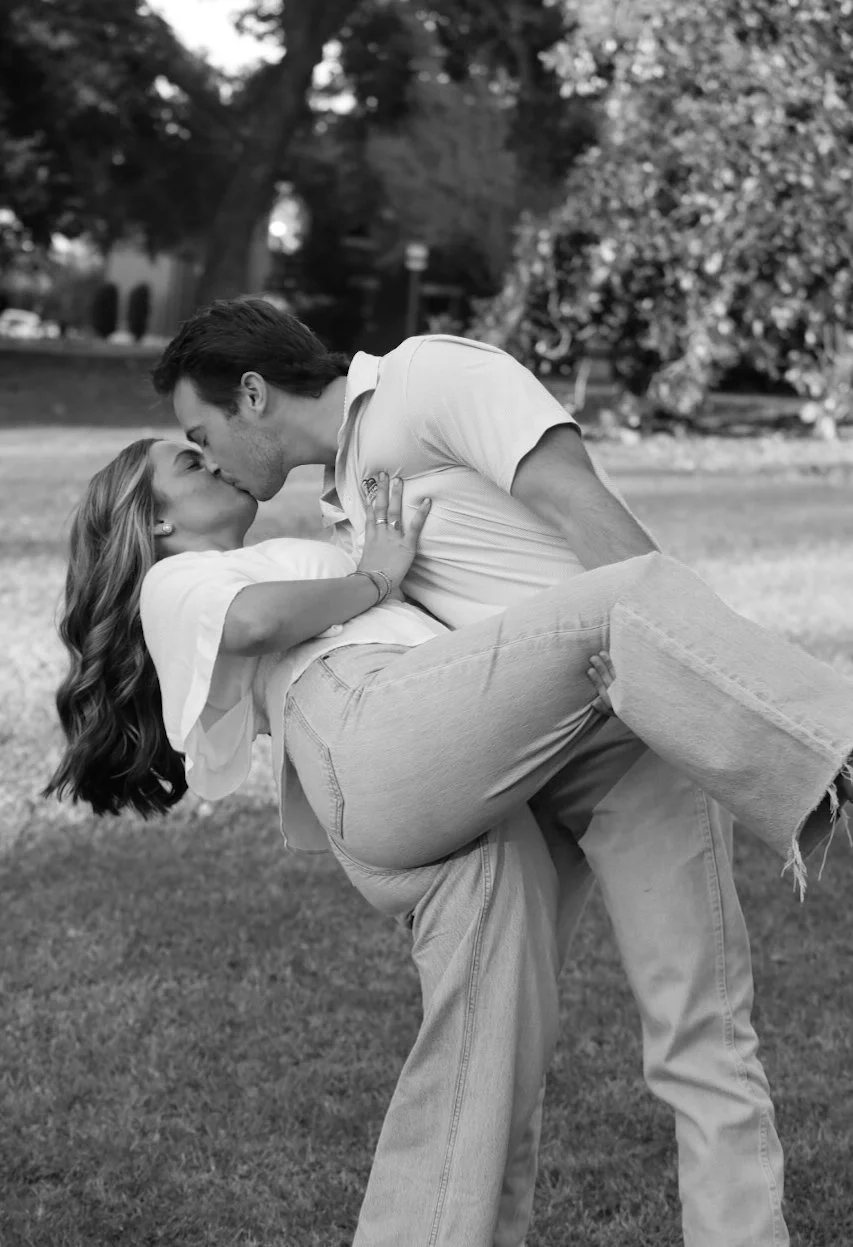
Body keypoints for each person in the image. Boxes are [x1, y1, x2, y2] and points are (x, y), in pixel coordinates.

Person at [47, 432, 852, 1244]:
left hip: (436, 762)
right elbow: (256, 622)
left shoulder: (273, 556)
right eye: (190, 464)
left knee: (487, 1069)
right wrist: (373, 575)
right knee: (630, 592)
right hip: (366, 723)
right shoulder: (176, 580)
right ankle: (835, 744)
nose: (215, 462)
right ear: (155, 521)